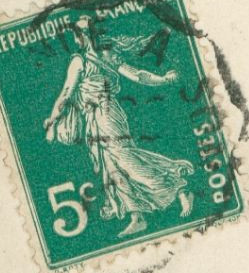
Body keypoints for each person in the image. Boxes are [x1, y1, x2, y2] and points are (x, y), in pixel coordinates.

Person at [43, 14, 194, 237]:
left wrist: (52, 119)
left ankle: (178, 185)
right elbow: (138, 76)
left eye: (78, 34)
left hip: (106, 116)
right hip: (100, 118)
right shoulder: (107, 55)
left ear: (81, 37)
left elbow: (66, 93)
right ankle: (137, 216)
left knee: (126, 159)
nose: (78, 38)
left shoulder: (81, 61)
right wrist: (162, 79)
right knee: (112, 167)